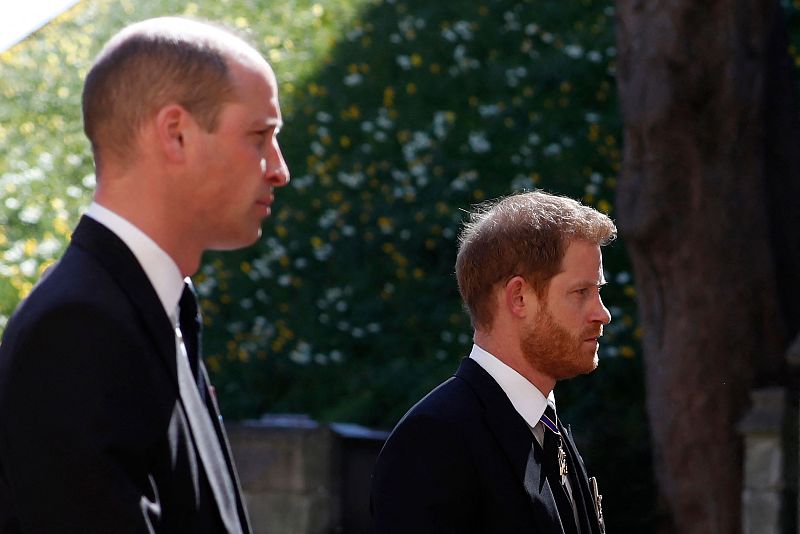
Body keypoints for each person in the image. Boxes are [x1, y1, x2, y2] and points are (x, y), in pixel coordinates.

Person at [0, 16, 289, 533]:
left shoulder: (148, 303)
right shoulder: (77, 329)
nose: (278, 168)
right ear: (175, 133)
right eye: (259, 135)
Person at [371, 190, 615, 533]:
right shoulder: (435, 440)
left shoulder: (548, 428)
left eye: (599, 292)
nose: (602, 314)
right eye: (582, 292)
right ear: (518, 298)